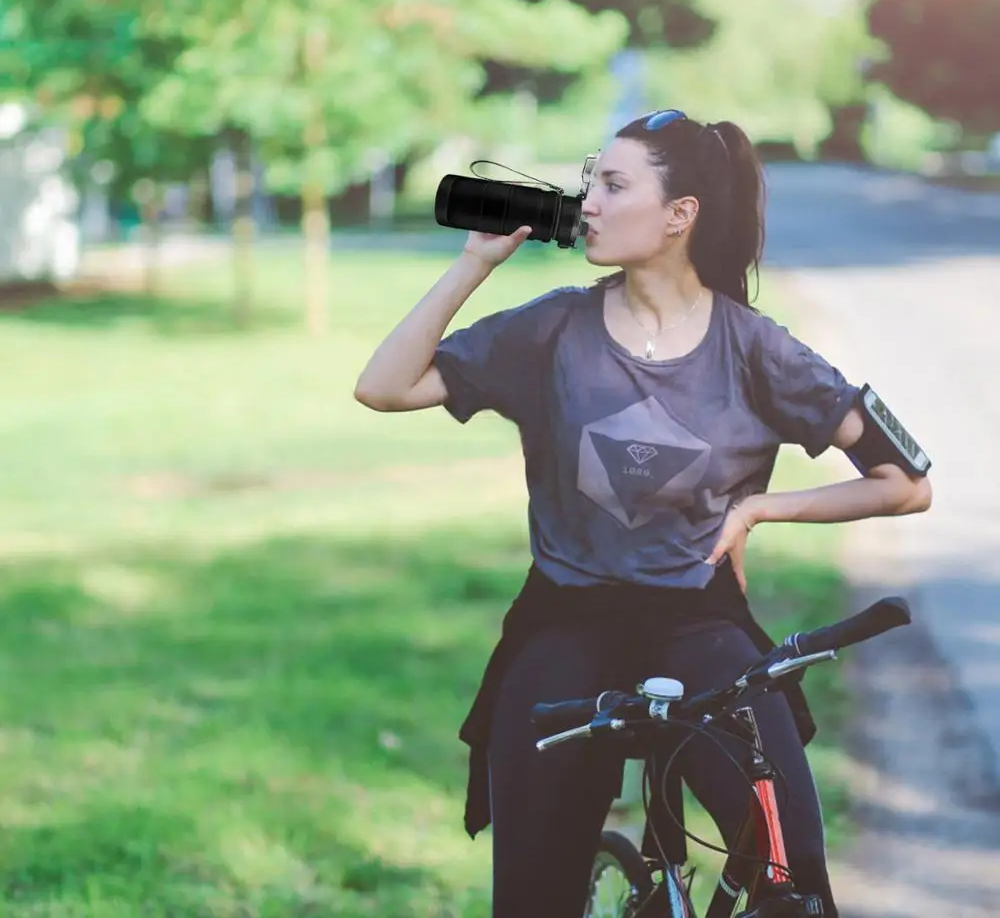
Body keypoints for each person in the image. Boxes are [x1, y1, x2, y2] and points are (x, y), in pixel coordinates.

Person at [353, 109, 933, 918]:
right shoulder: (553, 327)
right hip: (563, 621)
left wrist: (763, 507)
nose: (587, 201)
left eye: (613, 185)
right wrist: (473, 264)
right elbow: (384, 386)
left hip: (698, 621)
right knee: (532, 896)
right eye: (592, 181)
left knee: (789, 870)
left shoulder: (755, 349)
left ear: (679, 215)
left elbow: (905, 481)